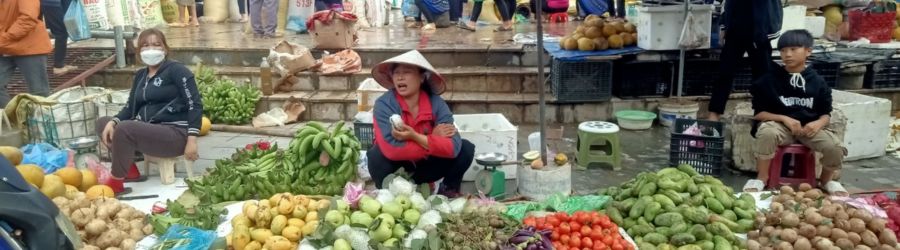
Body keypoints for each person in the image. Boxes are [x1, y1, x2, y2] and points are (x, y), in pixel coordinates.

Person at [95, 29, 203, 194]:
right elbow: (130, 108)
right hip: (149, 131)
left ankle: (115, 184)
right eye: (145, 45)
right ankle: (129, 171)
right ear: (139, 51)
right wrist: (113, 121)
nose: (150, 48)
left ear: (165, 49)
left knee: (126, 128)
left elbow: (194, 104)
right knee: (104, 123)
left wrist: (192, 140)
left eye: (156, 44)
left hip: (174, 134)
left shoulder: (177, 71)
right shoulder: (140, 75)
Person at [742, 30, 847, 196]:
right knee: (767, 132)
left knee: (834, 147)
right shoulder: (769, 79)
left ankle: (827, 181)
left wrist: (818, 123)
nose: (787, 54)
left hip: (809, 130)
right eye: (783, 50)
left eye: (793, 49)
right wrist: (784, 118)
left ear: (808, 51)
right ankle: (761, 178)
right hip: (781, 129)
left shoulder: (818, 82)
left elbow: (826, 113)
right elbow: (759, 113)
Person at [366, 50, 475, 198]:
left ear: (422, 78)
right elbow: (392, 149)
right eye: (396, 72)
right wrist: (431, 138)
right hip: (397, 167)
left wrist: (415, 137)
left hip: (426, 167)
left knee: (465, 148)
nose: (400, 77)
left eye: (407, 72)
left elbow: (453, 147)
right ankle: (387, 194)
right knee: (376, 155)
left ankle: (448, 191)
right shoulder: (384, 104)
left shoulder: (436, 103)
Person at [707, 0, 782, 121]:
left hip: (759, 32)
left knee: (763, 75)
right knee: (724, 73)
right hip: (735, 30)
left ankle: (764, 112)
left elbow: (773, 6)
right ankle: (714, 112)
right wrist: (724, 25)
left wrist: (769, 30)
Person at [0, 0, 52, 107]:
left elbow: (28, 18)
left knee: (38, 92)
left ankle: (43, 121)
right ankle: (12, 119)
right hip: (5, 46)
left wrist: (5, 38)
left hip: (30, 47)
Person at [42, 0, 78, 75]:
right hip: (52, 3)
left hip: (55, 3)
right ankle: (58, 67)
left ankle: (60, 64)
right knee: (61, 32)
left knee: (63, 30)